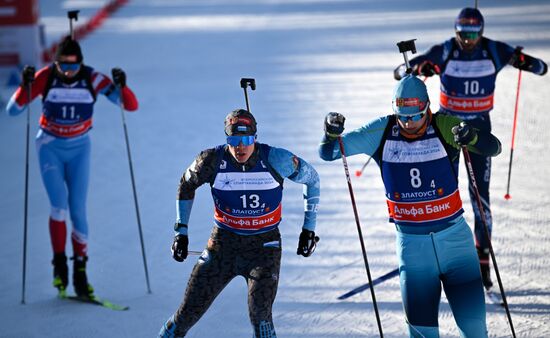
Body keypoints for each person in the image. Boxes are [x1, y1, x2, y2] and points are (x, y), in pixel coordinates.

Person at [319, 74, 502, 337]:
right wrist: (330, 133)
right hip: (414, 254)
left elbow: (493, 147)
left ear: (427, 107)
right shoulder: (381, 131)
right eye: (402, 116)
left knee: (474, 331)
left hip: (457, 247)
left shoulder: (444, 125)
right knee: (421, 334)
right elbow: (330, 152)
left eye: (415, 116)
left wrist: (471, 136)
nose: (408, 122)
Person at [393, 7, 548, 289]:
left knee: (480, 196)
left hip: (478, 130)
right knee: (444, 192)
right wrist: (419, 67)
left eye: (474, 33)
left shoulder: (493, 50)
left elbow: (542, 68)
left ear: (482, 31)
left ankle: (483, 257)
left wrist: (525, 61)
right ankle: (445, 254)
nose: (468, 40)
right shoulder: (446, 51)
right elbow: (400, 72)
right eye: (463, 33)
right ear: (456, 31)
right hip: (447, 130)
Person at [159, 109, 320, 338]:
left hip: (264, 248)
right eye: (234, 140)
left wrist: (308, 229)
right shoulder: (211, 160)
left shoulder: (276, 159)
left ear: (254, 137)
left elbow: (312, 179)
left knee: (261, 317)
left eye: (246, 140)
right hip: (222, 246)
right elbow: (186, 184)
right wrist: (181, 232)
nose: (240, 147)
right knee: (186, 314)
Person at [5, 36, 139, 298]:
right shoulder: (45, 77)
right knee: (58, 205)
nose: (68, 72)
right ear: (55, 64)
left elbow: (131, 106)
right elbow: (13, 111)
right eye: (64, 67)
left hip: (79, 148)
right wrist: (25, 85)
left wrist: (123, 86)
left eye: (74, 67)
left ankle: (80, 270)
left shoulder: (92, 78)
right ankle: (59, 265)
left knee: (78, 209)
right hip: (49, 147)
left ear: (81, 64)